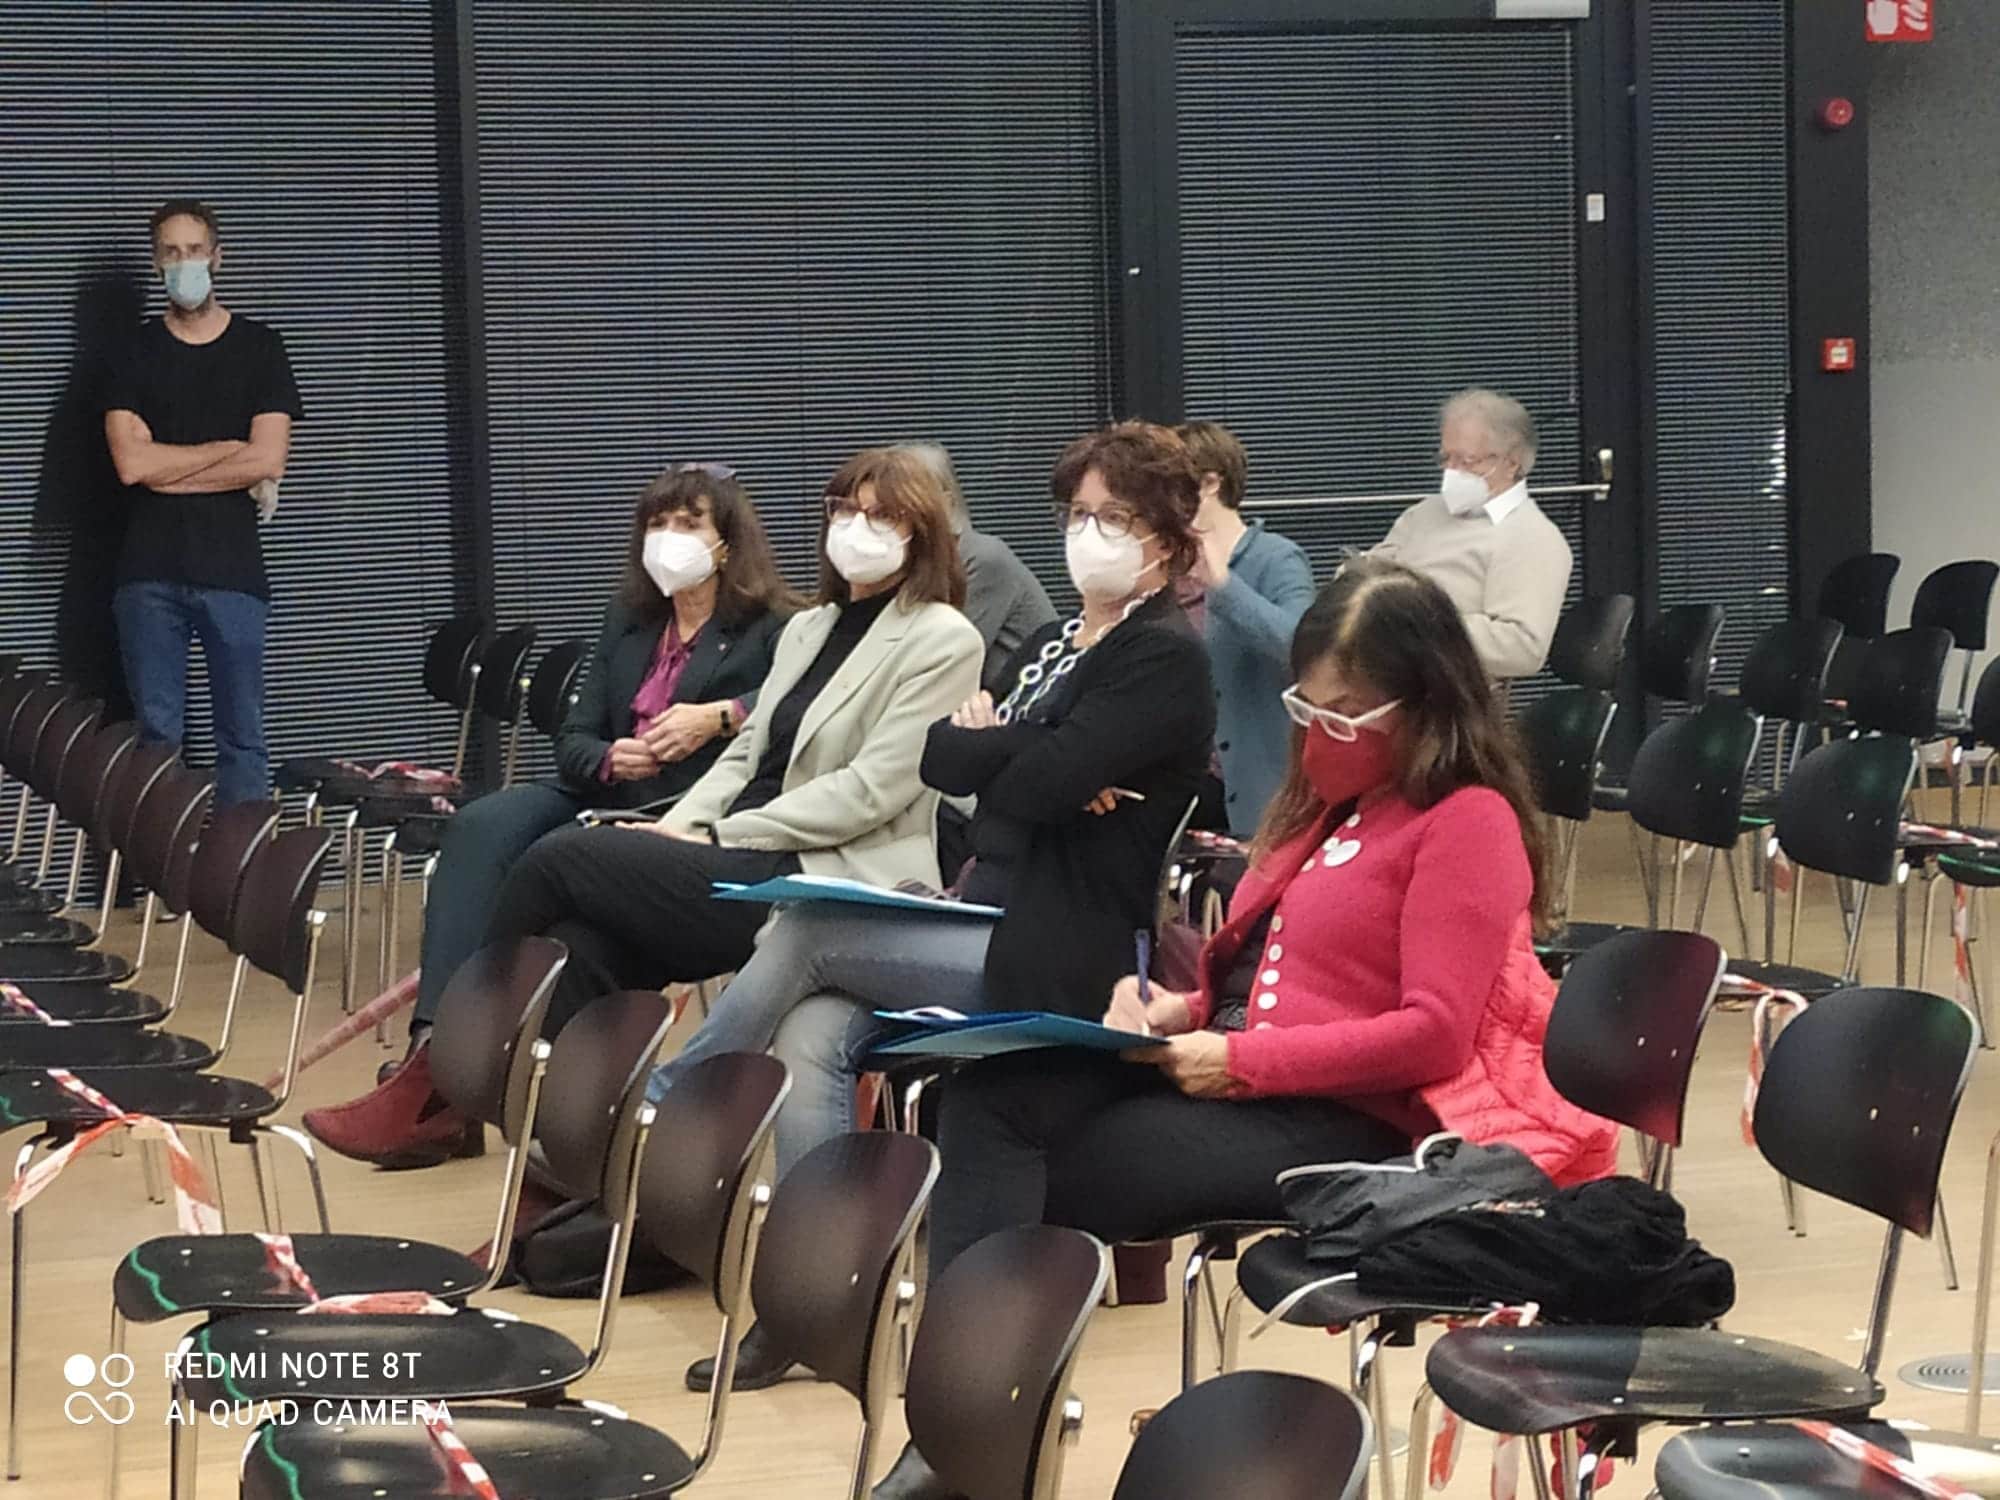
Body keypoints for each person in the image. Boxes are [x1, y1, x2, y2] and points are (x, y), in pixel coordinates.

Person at [867, 558, 1618, 1500]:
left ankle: (970, 1443)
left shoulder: (1467, 823)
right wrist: (1175, 1010)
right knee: (989, 1096)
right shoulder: (1338, 809)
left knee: (1056, 1166)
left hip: (1348, 1118)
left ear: (1426, 708)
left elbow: (1433, 1034)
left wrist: (1239, 1059)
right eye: (1308, 708)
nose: (1319, 733)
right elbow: (1264, 972)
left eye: (1345, 715)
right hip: (1244, 1076)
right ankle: (961, 1431)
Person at [652, 422, 1215, 1393]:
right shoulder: (1057, 644)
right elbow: (947, 763)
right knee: (812, 1033)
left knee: (811, 928)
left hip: (1063, 950)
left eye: (1113, 519)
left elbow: (1029, 780)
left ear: (1163, 542)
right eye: (1077, 514)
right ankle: (815, 1304)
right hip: (984, 909)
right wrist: (1029, 760)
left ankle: (672, 1099)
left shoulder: (1161, 656)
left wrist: (1016, 758)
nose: (1086, 534)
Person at [303, 464, 794, 1166]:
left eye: (689, 524)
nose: (669, 537)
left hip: (685, 814)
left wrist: (720, 716)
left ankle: (445, 1084)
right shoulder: (631, 619)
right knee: (483, 826)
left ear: (727, 542)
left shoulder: (775, 627)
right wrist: (610, 758)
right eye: (657, 523)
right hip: (606, 790)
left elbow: (797, 709)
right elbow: (573, 738)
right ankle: (434, 1046)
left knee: (560, 889)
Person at [454, 447, 980, 1058]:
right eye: (844, 510)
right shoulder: (811, 628)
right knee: (582, 944)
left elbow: (869, 792)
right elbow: (745, 754)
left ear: (921, 535)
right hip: (737, 853)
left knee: (559, 856)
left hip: (822, 870)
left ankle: (458, 1049)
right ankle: (537, 1110)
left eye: (882, 516)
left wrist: (719, 835)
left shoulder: (944, 639)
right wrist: (681, 828)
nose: (856, 528)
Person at [103, 199, 302, 804]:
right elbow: (132, 465)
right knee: (157, 738)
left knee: (243, 736)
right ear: (155, 263)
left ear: (218, 257)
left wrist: (169, 467)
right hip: (148, 572)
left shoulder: (260, 348)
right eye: (170, 252)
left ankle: (243, 860)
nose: (183, 263)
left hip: (233, 572)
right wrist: (223, 450)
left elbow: (267, 460)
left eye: (194, 251)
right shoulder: (131, 352)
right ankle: (162, 860)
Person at [1373, 388, 1572, 681]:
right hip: (1379, 667)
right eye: (1446, 458)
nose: (1451, 472)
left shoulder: (1533, 537)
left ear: (1510, 463)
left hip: (1447, 689)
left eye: (1466, 461)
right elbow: (1372, 572)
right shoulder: (1425, 512)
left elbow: (1522, 647)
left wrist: (1416, 627)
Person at [1177, 419, 1315, 836]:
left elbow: (1304, 652)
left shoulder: (1276, 558)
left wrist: (1224, 586)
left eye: (1171, 487)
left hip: (1253, 786)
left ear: (1210, 484)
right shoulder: (1165, 566)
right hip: (1181, 782)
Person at [899, 442, 1057, 694]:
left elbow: (945, 658)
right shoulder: (912, 562)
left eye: (909, 500)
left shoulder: (983, 559)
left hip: (1025, 701)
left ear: (945, 503)